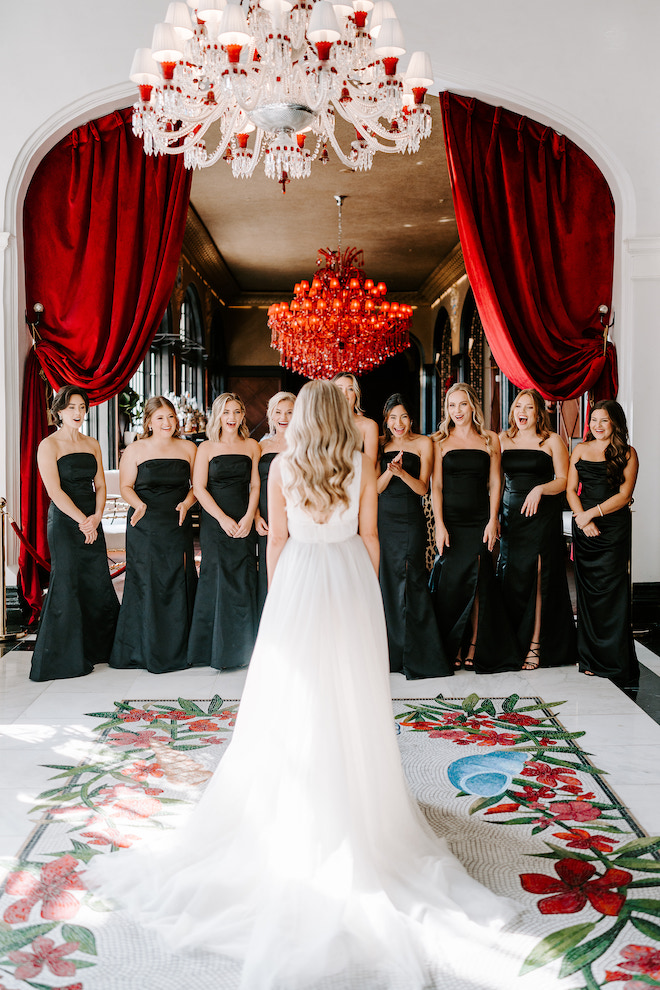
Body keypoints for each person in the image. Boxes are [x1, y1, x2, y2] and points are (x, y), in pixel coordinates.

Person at [86, 380, 518, 989]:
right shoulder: (362, 465)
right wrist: (364, 597)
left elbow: (278, 543)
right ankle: (352, 799)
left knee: (293, 700)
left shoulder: (285, 465)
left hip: (299, 582)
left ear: (302, 419)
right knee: (351, 698)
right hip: (347, 578)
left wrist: (284, 599)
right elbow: (370, 541)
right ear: (341, 417)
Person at [30, 385, 119, 681]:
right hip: (67, 522)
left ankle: (99, 650)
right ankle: (65, 656)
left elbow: (102, 486)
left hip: (92, 519)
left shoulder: (92, 443)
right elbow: (53, 490)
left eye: (82, 407)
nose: (78, 413)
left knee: (96, 582)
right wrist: (83, 520)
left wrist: (96, 517)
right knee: (67, 581)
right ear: (59, 411)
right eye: (72, 408)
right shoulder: (48, 445)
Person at [429, 383, 520, 672]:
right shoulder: (439, 441)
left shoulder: (490, 439)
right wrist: (439, 525)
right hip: (452, 522)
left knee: (481, 582)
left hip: (481, 519)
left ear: (472, 407)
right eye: (452, 406)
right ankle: (454, 642)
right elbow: (437, 487)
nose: (457, 411)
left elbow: (496, 482)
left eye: (462, 404)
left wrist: (494, 520)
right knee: (452, 584)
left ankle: (475, 645)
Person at [109, 396, 197, 674]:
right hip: (144, 522)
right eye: (160, 418)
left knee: (176, 579)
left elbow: (198, 485)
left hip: (176, 520)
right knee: (146, 581)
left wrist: (187, 503)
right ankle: (142, 649)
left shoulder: (188, 448)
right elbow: (125, 486)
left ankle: (179, 647)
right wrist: (139, 504)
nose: (167, 423)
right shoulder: (135, 449)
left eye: (171, 417)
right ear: (148, 422)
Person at [498, 389, 576, 669]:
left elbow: (564, 481)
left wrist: (540, 489)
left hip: (542, 516)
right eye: (518, 406)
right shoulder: (502, 439)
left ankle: (536, 644)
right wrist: (493, 516)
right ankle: (511, 642)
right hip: (511, 517)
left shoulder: (552, 440)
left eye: (529, 408)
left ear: (538, 413)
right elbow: (494, 483)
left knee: (540, 576)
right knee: (513, 577)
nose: (522, 412)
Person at [377, 393, 452, 678]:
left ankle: (420, 655)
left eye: (404, 417)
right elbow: (375, 487)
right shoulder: (381, 444)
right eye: (393, 418)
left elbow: (424, 488)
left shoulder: (424, 443)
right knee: (388, 582)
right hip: (384, 520)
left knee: (413, 581)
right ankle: (392, 656)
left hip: (411, 520)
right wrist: (389, 471)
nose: (399, 423)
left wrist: (401, 474)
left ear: (412, 419)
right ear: (387, 420)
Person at [566, 399, 639, 689]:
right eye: (593, 420)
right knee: (588, 594)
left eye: (604, 420)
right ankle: (590, 659)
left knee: (612, 593)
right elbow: (571, 490)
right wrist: (582, 519)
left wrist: (591, 514)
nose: (597, 426)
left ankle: (615, 661)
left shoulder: (628, 453)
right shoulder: (580, 449)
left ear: (615, 423)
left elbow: (624, 496)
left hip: (612, 528)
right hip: (585, 527)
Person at [187, 393, 260, 669]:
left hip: (244, 519)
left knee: (243, 578)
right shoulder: (205, 448)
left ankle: (245, 650)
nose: (232, 417)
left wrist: (249, 516)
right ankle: (212, 650)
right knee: (215, 577)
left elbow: (255, 486)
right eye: (226, 412)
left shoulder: (253, 445)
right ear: (218, 414)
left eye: (237, 412)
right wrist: (222, 519)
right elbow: (199, 488)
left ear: (243, 415)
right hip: (216, 524)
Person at [254, 390, 296, 618]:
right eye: (279, 412)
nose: (284, 417)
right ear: (271, 415)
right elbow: (253, 486)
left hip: (297, 517)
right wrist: (255, 516)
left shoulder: (305, 446)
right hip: (267, 518)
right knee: (268, 568)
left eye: (290, 412)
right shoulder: (260, 447)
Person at [332, 371, 379, 466]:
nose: (344, 394)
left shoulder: (369, 426)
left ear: (356, 394)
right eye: (339, 389)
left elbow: (370, 464)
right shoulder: (324, 423)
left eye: (350, 389)